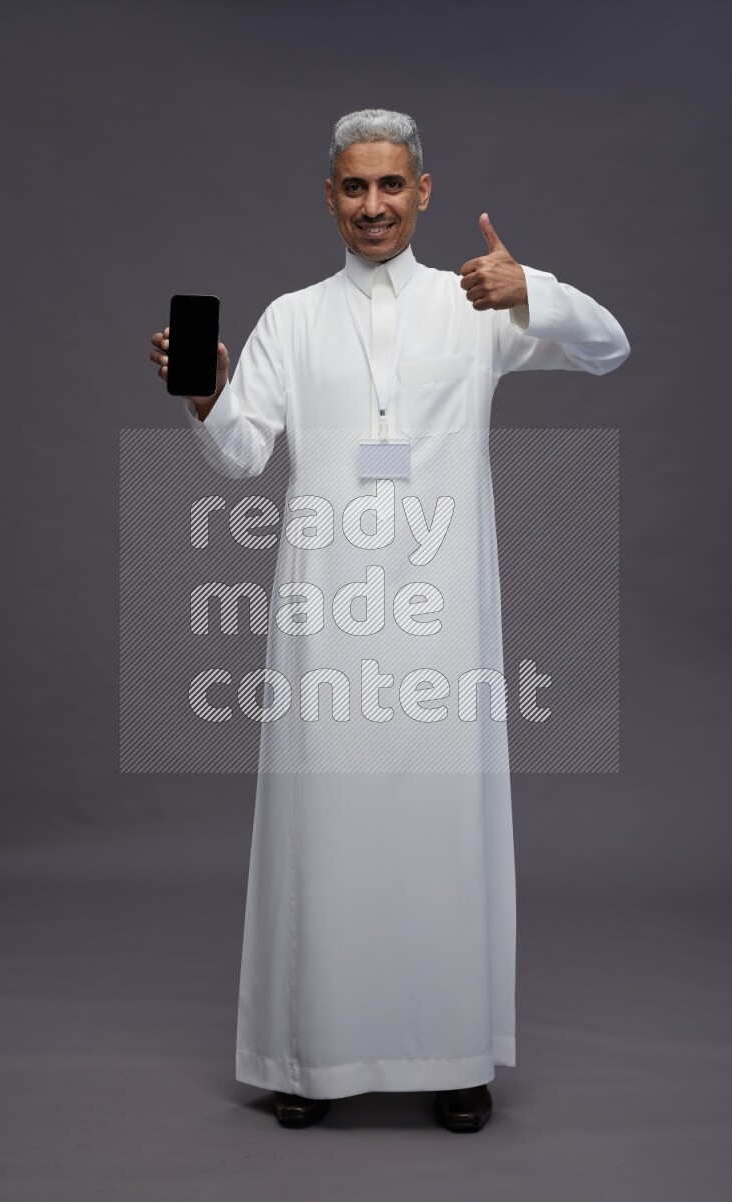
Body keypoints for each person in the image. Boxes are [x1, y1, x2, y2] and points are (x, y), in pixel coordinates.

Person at [149, 108, 630, 1133]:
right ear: (328, 197)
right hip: (325, 613)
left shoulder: (477, 304)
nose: (373, 205)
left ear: (423, 193)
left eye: (391, 186)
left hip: (442, 612)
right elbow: (239, 453)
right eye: (354, 188)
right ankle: (307, 1054)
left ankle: (452, 1054)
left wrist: (531, 287)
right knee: (321, 827)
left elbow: (609, 348)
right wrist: (204, 395)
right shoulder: (290, 318)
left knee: (440, 828)